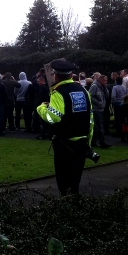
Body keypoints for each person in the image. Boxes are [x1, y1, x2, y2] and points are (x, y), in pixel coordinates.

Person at [37, 60, 94, 195]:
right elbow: (90, 118)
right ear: (71, 75)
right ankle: (75, 204)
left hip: (64, 142)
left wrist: (41, 108)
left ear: (55, 76)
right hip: (82, 140)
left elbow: (53, 117)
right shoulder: (84, 90)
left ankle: (66, 208)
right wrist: (89, 142)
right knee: (75, 179)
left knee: (64, 180)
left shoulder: (58, 92)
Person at [89, 74, 111, 148]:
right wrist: (98, 102)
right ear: (101, 80)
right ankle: (102, 143)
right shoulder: (94, 86)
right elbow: (90, 96)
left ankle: (93, 142)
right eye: (105, 80)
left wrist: (105, 88)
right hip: (96, 109)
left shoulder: (102, 87)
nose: (106, 81)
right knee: (99, 126)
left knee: (97, 126)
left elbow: (107, 96)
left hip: (101, 108)